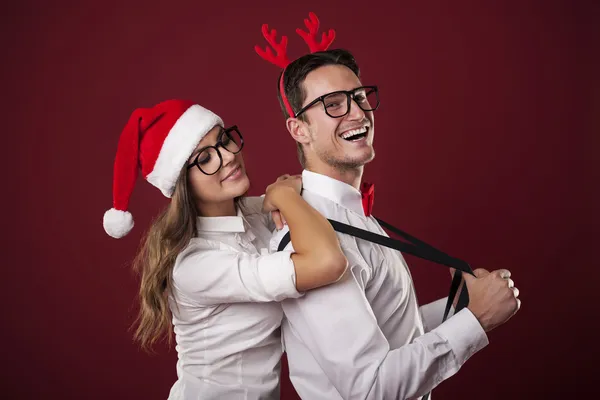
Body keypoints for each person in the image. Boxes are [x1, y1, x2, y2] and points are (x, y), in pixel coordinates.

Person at [262, 40, 521, 400]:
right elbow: (371, 389)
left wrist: (461, 307)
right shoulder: (308, 241)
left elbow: (391, 335)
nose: (357, 113)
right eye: (333, 105)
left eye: (359, 97)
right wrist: (476, 320)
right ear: (299, 130)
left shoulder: (354, 216)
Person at [102, 99, 348, 399]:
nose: (228, 156)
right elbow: (327, 262)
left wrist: (283, 192)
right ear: (183, 184)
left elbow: (298, 188)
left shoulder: (251, 216)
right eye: (205, 159)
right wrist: (283, 195)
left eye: (224, 141)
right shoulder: (196, 265)